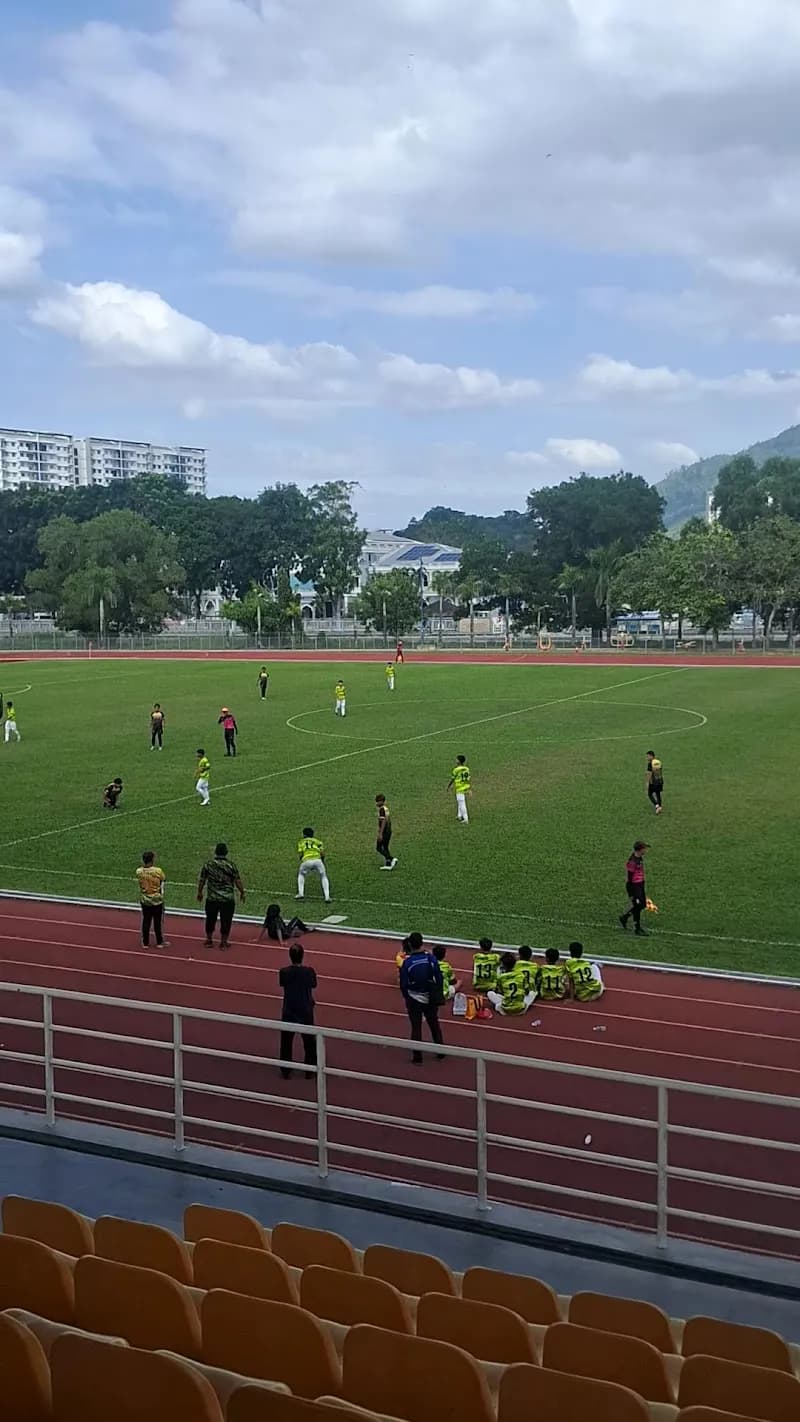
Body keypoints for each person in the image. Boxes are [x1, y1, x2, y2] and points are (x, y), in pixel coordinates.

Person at [399, 936, 445, 1064]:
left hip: (414, 999)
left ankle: (417, 1057)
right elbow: (439, 978)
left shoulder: (407, 963)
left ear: (410, 945)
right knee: (434, 1024)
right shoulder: (431, 959)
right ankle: (441, 1051)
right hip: (430, 997)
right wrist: (437, 994)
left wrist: (407, 998)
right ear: (422, 943)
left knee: (416, 1026)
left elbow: (403, 984)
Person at [279, 944, 318, 1079]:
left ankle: (285, 1069)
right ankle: (310, 1069)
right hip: (305, 1009)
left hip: (289, 1009)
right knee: (309, 1041)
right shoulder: (309, 972)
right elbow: (313, 984)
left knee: (286, 1041)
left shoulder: (284, 972)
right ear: (302, 956)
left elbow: (283, 984)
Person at [197, 841, 245, 950]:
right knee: (226, 920)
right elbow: (237, 880)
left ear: (215, 852)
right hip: (227, 899)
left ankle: (209, 940)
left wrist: (199, 892)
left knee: (210, 919)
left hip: (212, 898)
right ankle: (223, 942)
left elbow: (202, 880)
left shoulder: (208, 865)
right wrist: (242, 892)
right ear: (226, 852)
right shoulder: (231, 866)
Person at [136, 850, 169, 949]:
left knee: (146, 920)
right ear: (152, 860)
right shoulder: (158, 871)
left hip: (145, 899)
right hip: (156, 899)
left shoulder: (139, 871)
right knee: (157, 921)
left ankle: (145, 942)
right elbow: (163, 879)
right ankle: (159, 942)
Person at [488, 952, 537, 1016]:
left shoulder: (501, 977)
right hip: (521, 1009)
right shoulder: (521, 975)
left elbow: (501, 992)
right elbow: (527, 992)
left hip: (505, 1009)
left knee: (490, 993)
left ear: (503, 965)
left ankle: (501, 1006)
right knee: (532, 993)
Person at [620, 840, 649, 936]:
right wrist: (632, 891)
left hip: (640, 884)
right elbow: (630, 877)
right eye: (644, 848)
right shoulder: (633, 861)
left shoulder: (639, 858)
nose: (646, 850)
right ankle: (637, 928)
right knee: (638, 905)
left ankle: (625, 917)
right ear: (640, 850)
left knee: (643, 904)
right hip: (634, 886)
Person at [296, 827, 331, 903]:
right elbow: (322, 853)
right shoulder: (318, 842)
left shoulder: (301, 842)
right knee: (323, 876)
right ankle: (327, 897)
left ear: (304, 835)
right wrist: (322, 861)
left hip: (306, 860)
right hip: (317, 860)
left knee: (301, 874)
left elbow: (301, 853)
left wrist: (302, 860)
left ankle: (301, 893)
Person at [375, 794, 397, 869]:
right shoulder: (385, 808)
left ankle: (391, 859)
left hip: (384, 831)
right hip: (388, 831)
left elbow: (383, 821)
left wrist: (380, 833)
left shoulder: (381, 809)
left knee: (378, 847)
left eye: (378, 801)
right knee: (385, 847)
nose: (376, 803)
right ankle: (388, 864)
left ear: (381, 801)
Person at [447, 754, 471, 824]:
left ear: (459, 761)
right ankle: (459, 815)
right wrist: (469, 788)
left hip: (459, 787)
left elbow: (453, 779)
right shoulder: (467, 769)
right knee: (459, 802)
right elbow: (468, 778)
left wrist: (449, 786)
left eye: (456, 759)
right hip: (465, 786)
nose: (455, 760)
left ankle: (466, 819)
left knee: (462, 803)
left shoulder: (456, 770)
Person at [646, 750, 664, 815]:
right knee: (658, 794)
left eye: (648, 756)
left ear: (651, 756)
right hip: (660, 780)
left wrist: (648, 783)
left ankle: (657, 806)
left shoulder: (650, 764)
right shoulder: (658, 762)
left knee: (649, 794)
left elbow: (649, 774)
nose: (647, 758)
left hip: (653, 782)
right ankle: (660, 807)